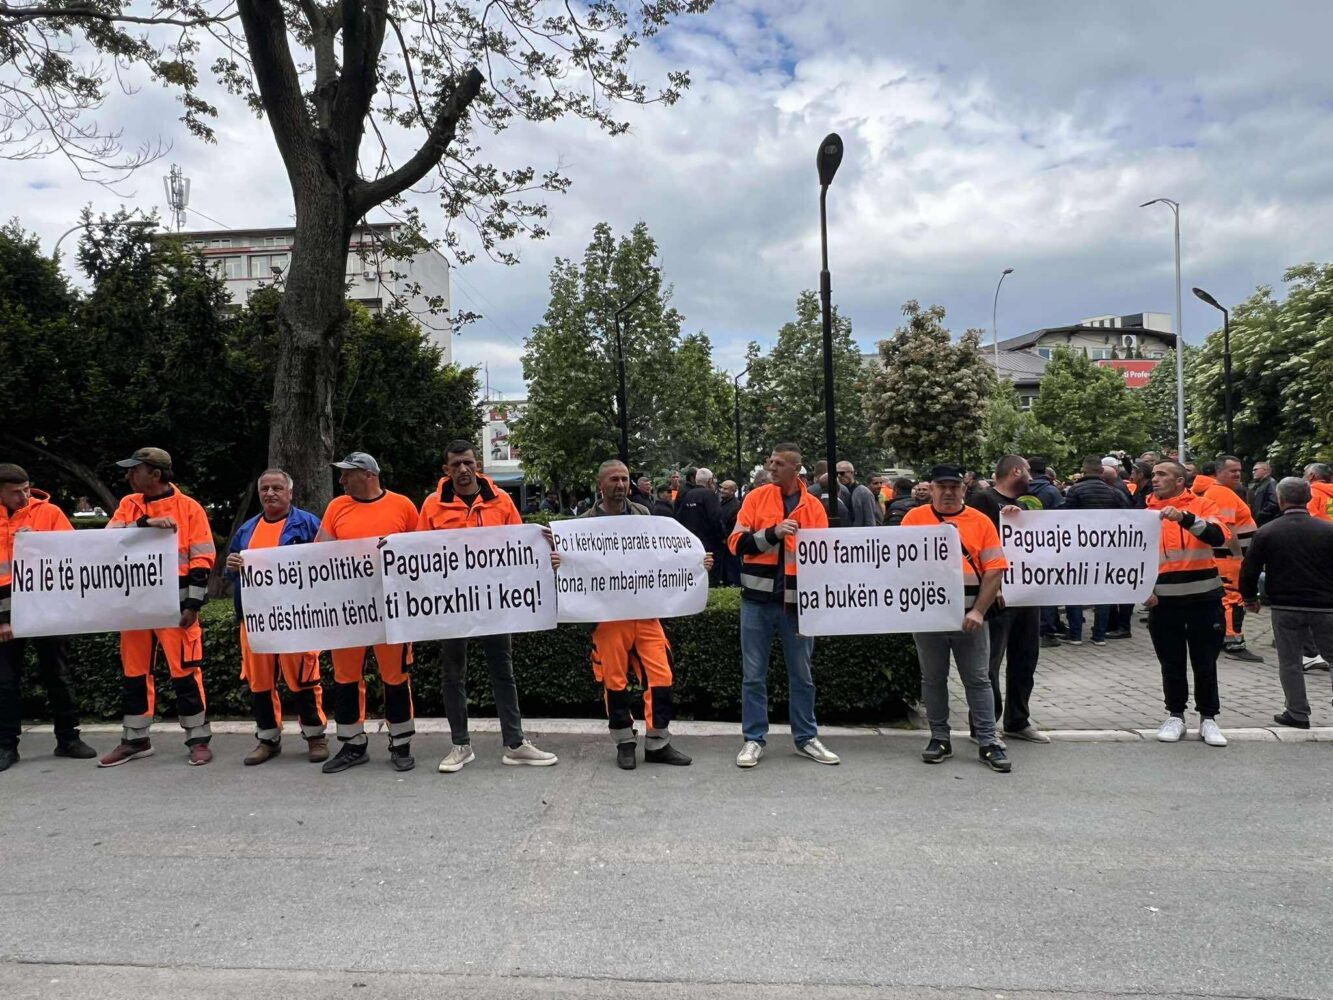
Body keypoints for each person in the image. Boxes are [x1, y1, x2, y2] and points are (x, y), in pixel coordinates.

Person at [418, 441, 558, 773]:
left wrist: (544, 555)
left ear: (477, 464)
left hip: (496, 602)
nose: (463, 469)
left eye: (468, 462)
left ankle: (515, 743)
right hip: (452, 604)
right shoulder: (432, 505)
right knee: (453, 673)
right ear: (446, 470)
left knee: (502, 671)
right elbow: (418, 551)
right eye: (456, 465)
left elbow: (520, 548)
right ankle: (460, 745)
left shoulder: (502, 500)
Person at [581, 459, 704, 769]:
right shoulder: (582, 524)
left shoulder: (644, 515)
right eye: (614, 479)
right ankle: (624, 741)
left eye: (624, 479)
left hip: (645, 613)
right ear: (600, 484)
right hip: (608, 618)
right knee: (614, 681)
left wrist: (695, 564)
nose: (621, 485)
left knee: (661, 676)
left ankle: (657, 742)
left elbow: (662, 557)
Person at [98, 448, 216, 768]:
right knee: (134, 673)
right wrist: (145, 522)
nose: (128, 475)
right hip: (134, 605)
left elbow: (202, 558)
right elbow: (108, 540)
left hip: (175, 605)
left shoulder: (189, 508)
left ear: (155, 474)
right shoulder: (129, 504)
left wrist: (193, 604)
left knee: (185, 673)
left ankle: (198, 740)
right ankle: (135, 741)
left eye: (134, 470)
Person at [727, 443, 838, 768]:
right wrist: (773, 533)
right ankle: (753, 739)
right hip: (756, 601)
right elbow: (736, 543)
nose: (771, 467)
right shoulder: (755, 498)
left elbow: (824, 558)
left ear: (796, 468)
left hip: (798, 605)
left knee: (802, 675)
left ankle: (806, 738)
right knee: (753, 676)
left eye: (778, 463)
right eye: (770, 462)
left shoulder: (813, 507)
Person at [901, 465, 1012, 772]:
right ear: (931, 489)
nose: (949, 492)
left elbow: (995, 569)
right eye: (942, 486)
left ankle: (988, 741)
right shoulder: (913, 519)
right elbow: (900, 564)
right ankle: (939, 738)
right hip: (929, 617)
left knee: (977, 679)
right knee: (933, 679)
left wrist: (978, 610)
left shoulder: (980, 521)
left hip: (970, 618)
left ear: (964, 489)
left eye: (954, 486)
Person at [316, 452, 420, 774]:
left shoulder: (403, 506)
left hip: (392, 611)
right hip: (348, 610)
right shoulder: (336, 507)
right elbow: (319, 554)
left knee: (396, 677)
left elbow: (421, 553)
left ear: (369, 475)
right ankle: (352, 745)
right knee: (345, 678)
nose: (342, 480)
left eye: (348, 474)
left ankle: (400, 743)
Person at [224, 469, 328, 766]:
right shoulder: (247, 530)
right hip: (255, 619)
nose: (270, 493)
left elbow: (327, 564)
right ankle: (268, 739)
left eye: (277, 488)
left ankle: (315, 736)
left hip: (297, 617)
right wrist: (232, 565)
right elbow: (230, 570)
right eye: (265, 488)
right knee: (259, 681)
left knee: (304, 678)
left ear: (290, 493)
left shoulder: (308, 524)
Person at [0, 464, 96, 772]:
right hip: (6, 615)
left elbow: (73, 556)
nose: (24, 497)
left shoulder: (49, 513)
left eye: (26, 489)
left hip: (47, 609)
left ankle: (68, 738)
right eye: (15, 492)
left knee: (58, 674)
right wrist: (3, 619)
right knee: (5, 682)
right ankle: (6, 745)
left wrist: (40, 545)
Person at [1143, 461, 1229, 747]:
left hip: (1204, 599)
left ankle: (1209, 718)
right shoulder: (1144, 514)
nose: (1155, 479)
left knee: (1205, 662)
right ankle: (1175, 715)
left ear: (1180, 481)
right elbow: (1131, 558)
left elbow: (1219, 536)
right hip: (1163, 602)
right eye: (1153, 475)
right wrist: (1141, 590)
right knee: (1171, 662)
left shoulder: (1203, 505)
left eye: (1162, 474)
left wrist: (1185, 518)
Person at [1239, 477, 1333, 729]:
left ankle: (1297, 713)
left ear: (1280, 500)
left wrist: (1249, 599)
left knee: (1290, 661)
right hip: (1326, 606)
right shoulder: (1328, 531)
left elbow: (1249, 570)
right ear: (1309, 498)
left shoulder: (1267, 532)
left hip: (1285, 606)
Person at [967, 455, 1047, 744]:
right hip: (999, 597)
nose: (1031, 477)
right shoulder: (984, 500)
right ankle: (984, 725)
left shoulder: (1022, 506)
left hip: (1026, 595)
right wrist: (993, 587)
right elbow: (974, 545)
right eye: (1027, 471)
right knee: (990, 663)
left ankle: (1017, 720)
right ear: (1015, 471)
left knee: (1025, 659)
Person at [1193, 457, 1261, 662]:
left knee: (1227, 598)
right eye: (1232, 471)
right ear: (1219, 472)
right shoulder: (1222, 493)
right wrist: (1238, 555)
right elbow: (1228, 528)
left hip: (1224, 556)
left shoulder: (1216, 492)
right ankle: (1233, 642)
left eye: (1239, 470)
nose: (1237, 474)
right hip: (1229, 557)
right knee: (1233, 598)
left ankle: (1224, 637)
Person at [1058, 456, 1127, 647]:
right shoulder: (1113, 492)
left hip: (1079, 547)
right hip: (1105, 547)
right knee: (1102, 590)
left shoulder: (1075, 490)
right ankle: (1099, 635)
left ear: (1084, 469)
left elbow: (1067, 517)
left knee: (1074, 588)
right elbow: (1124, 516)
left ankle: (1075, 635)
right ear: (1101, 471)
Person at [676, 467, 725, 586]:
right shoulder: (709, 495)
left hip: (692, 543)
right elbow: (715, 518)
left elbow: (679, 517)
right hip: (710, 543)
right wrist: (723, 536)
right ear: (710, 481)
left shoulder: (687, 495)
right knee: (711, 575)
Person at [836, 461, 880, 527]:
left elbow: (870, 519)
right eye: (837, 473)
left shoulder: (864, 492)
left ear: (852, 473)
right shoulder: (838, 491)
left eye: (842, 473)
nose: (839, 476)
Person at [718, 479, 742, 587]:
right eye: (721, 487)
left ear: (733, 491)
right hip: (722, 545)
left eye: (725, 489)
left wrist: (725, 536)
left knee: (732, 574)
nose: (722, 490)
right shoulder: (721, 503)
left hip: (730, 545)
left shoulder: (736, 506)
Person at [1248, 462, 1279, 526]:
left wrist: (1259, 515)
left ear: (1265, 471)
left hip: (1266, 522)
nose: (1253, 472)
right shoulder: (1260, 484)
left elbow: (1273, 503)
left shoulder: (1271, 483)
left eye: (1255, 470)